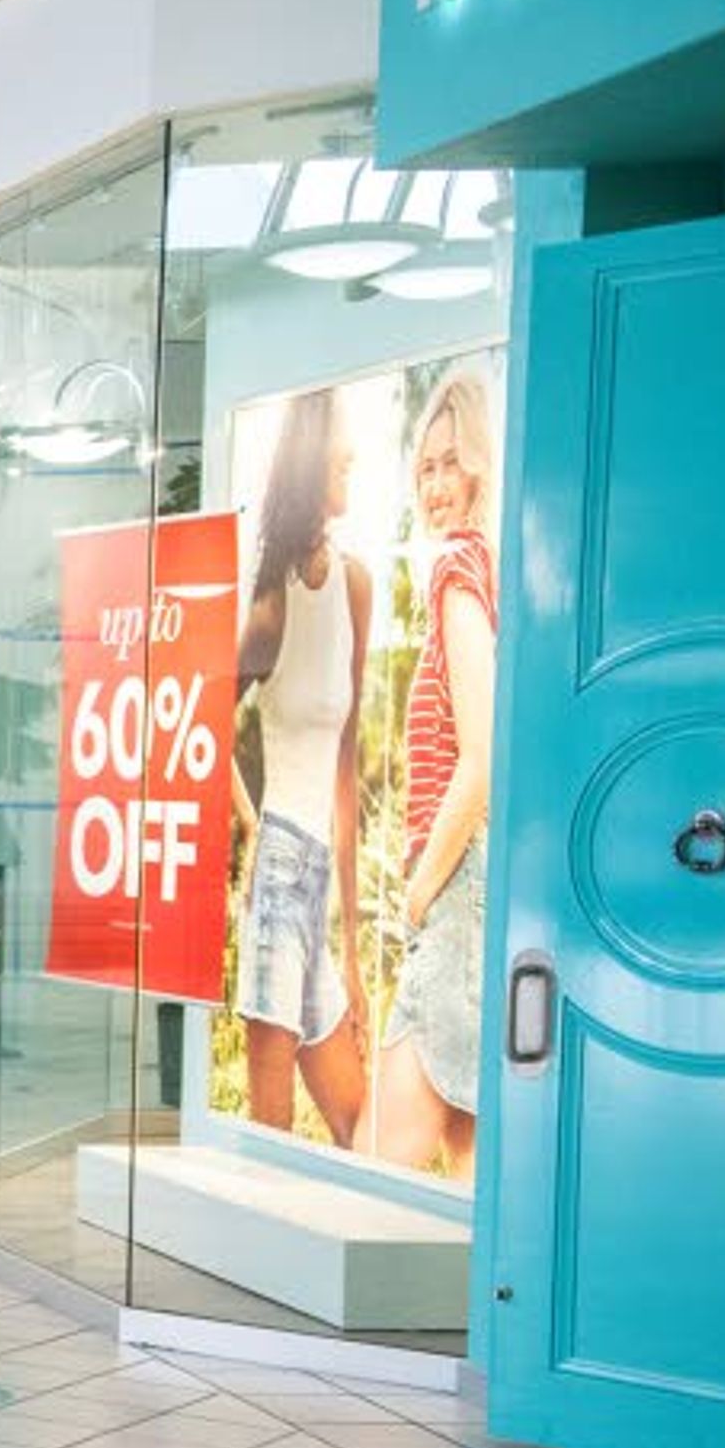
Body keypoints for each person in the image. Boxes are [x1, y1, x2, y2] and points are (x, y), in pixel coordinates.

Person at [230, 390, 372, 1145]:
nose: (353, 457)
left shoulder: (355, 584)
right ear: (312, 457)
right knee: (271, 1133)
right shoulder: (268, 607)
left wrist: (351, 946)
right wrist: (253, 826)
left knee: (361, 1129)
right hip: (282, 860)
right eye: (343, 449)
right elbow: (196, 730)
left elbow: (347, 767)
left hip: (317, 880)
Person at [368, 375, 496, 1177]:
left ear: (482, 470)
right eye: (427, 469)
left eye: (454, 464)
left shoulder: (457, 569)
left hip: (452, 900)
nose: (439, 486)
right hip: (466, 901)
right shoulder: (480, 575)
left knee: (373, 1179)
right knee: (469, 1182)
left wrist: (418, 888)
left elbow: (480, 761)